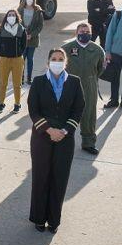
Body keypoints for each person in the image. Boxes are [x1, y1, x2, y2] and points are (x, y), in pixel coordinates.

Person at [27, 49, 85, 233]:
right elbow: (33, 110)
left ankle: (54, 220)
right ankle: (38, 218)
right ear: (48, 62)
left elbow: (78, 110)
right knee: (40, 177)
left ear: (66, 62)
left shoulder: (75, 82)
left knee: (59, 179)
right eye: (54, 59)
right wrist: (49, 130)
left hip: (65, 138)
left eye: (61, 59)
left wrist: (64, 130)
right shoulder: (38, 82)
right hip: (42, 137)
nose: (57, 62)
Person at [62, 23, 105, 155]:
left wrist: (91, 78)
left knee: (89, 116)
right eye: (82, 31)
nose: (84, 34)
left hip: (89, 86)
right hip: (70, 87)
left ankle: (88, 143)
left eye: (87, 32)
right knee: (65, 115)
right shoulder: (66, 48)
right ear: (76, 32)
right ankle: (61, 142)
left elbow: (100, 69)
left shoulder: (97, 50)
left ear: (91, 33)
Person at [0, 7, 27, 113]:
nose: (11, 17)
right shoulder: (1, 29)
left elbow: (24, 44)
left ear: (17, 17)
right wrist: (3, 53)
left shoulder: (21, 29)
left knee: (17, 84)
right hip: (4, 59)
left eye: (13, 15)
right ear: (6, 17)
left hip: (17, 60)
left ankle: (17, 104)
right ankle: (1, 103)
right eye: (9, 15)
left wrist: (18, 53)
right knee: (3, 82)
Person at [17, 0, 44, 84]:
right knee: (22, 59)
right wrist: (24, 35)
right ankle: (21, 78)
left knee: (30, 59)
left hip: (33, 39)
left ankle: (29, 78)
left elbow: (40, 26)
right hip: (22, 39)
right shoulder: (20, 10)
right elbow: (17, 24)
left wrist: (32, 35)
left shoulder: (38, 10)